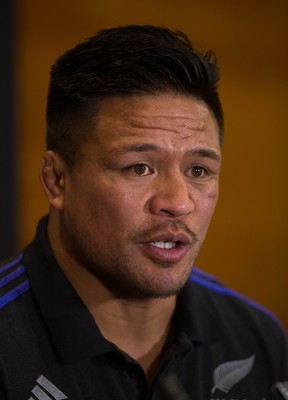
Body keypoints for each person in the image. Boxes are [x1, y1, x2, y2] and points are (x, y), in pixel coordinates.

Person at [0, 25, 287, 400]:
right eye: (140, 168)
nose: (178, 202)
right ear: (57, 181)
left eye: (198, 170)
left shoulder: (257, 338)